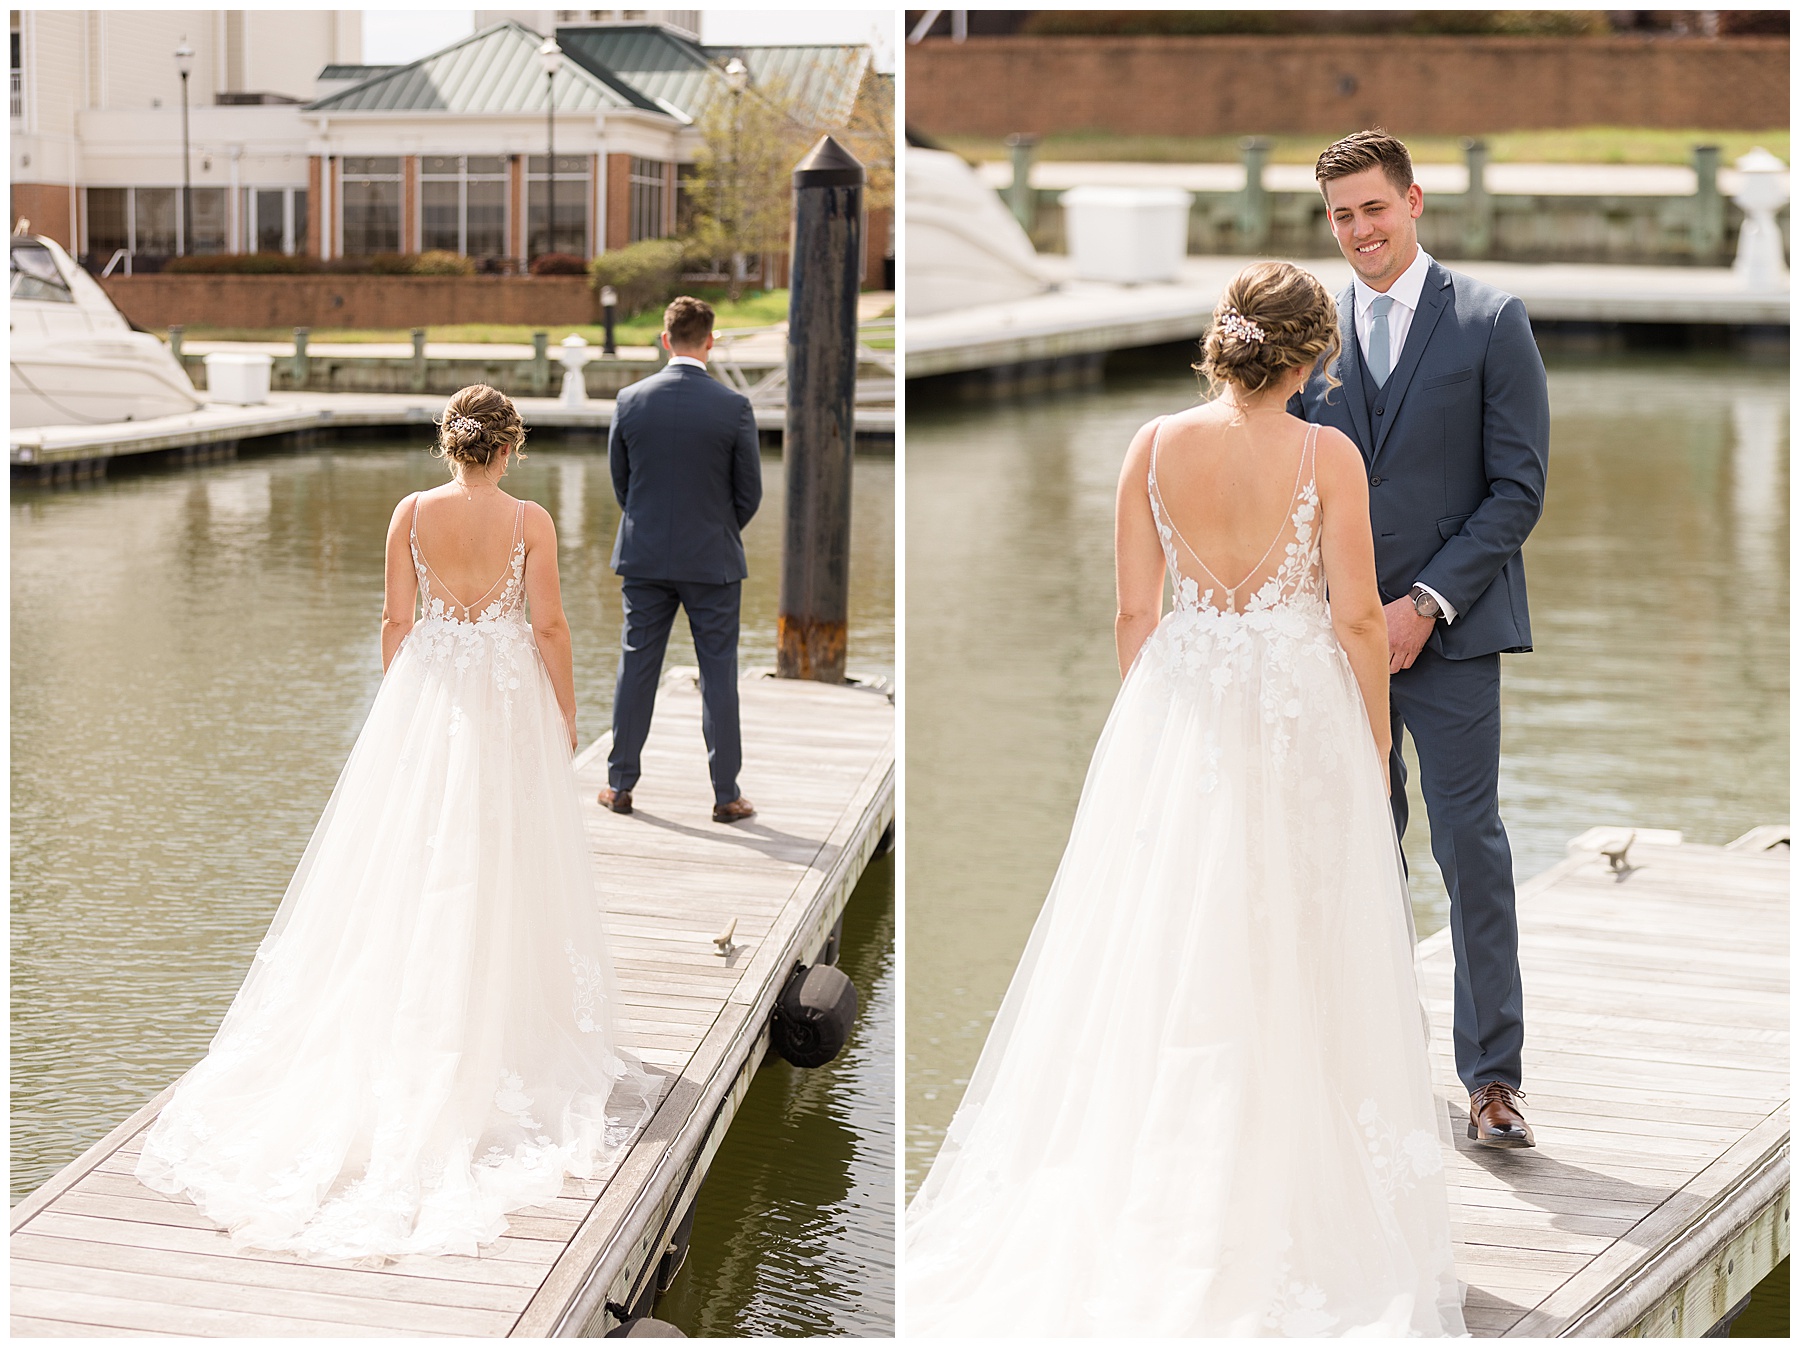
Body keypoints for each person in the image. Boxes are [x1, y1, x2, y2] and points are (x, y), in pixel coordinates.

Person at [906, 262, 1464, 1337]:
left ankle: (1162, 1197)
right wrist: (1372, 736)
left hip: (1183, 716)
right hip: (1300, 719)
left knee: (1169, 955)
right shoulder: (1326, 453)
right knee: (1298, 953)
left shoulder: (1151, 445)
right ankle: (1286, 1210)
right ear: (1315, 355)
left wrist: (1165, 723)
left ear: (1226, 341)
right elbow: (1357, 621)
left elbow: (1132, 612)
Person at [135, 384, 659, 1260]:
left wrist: (399, 707)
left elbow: (394, 619)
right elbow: (552, 626)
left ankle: (417, 1017)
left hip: (428, 695)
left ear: (450, 445)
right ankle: (488, 1020)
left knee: (411, 866)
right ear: (509, 448)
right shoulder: (529, 521)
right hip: (499, 698)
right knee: (503, 861)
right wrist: (564, 715)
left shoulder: (409, 513)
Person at [1295, 129, 1550, 1150]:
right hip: (1332, 642)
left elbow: (1517, 490)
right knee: (1357, 847)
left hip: (1449, 636)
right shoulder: (1311, 335)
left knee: (1468, 847)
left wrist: (1427, 602)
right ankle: (1377, 1062)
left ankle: (1493, 1080)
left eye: (1374, 208)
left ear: (1414, 202)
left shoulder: (1491, 321)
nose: (1360, 229)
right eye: (1342, 215)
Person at [600, 295, 762, 824]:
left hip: (644, 557)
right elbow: (749, 493)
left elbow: (623, 484)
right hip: (712, 561)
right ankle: (725, 796)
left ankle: (619, 787)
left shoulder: (629, 400)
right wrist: (715, 531)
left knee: (636, 667)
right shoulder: (734, 407)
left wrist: (652, 529)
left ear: (665, 340)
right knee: (719, 676)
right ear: (709, 342)